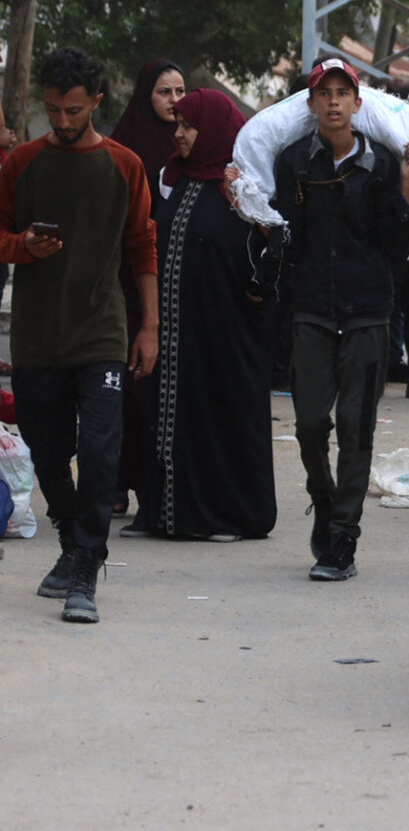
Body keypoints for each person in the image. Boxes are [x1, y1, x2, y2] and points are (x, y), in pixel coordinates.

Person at [0, 48, 160, 623]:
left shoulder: (125, 165)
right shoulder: (21, 163)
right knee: (47, 451)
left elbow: (142, 245)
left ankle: (87, 565)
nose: (62, 122)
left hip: (103, 332)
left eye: (72, 111)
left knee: (99, 450)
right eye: (52, 111)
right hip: (39, 336)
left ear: (96, 102)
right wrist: (24, 247)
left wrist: (150, 327)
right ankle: (70, 537)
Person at [257, 59, 409, 580]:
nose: (332, 102)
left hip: (368, 312)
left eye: (342, 93)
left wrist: (406, 189)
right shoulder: (293, 164)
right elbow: (285, 233)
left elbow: (400, 250)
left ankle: (342, 538)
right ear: (310, 106)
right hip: (311, 310)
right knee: (309, 423)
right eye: (323, 93)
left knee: (355, 426)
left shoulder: (382, 166)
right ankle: (323, 501)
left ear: (357, 104)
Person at [138, 89, 275, 541]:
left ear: (213, 129)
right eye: (177, 124)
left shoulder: (241, 184)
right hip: (180, 332)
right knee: (172, 419)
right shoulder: (178, 178)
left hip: (226, 332)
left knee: (221, 416)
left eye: (188, 125)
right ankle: (165, 514)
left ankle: (227, 514)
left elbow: (273, 249)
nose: (178, 134)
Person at [109, 57, 184, 518]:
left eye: (180, 92)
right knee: (122, 384)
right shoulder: (124, 148)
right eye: (164, 92)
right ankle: (115, 481)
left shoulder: (189, 146)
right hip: (125, 283)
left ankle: (156, 488)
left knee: (159, 390)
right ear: (145, 96)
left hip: (173, 285)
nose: (175, 102)